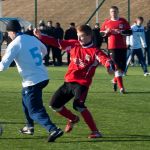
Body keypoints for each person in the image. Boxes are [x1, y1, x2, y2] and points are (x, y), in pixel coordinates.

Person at [34, 24, 114, 138]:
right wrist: (41, 36)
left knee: (78, 105)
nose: (79, 39)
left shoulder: (95, 51)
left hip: (82, 84)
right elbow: (56, 42)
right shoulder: (73, 44)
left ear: (89, 36)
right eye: (78, 36)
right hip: (68, 82)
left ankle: (95, 131)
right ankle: (73, 118)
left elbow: (105, 59)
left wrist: (109, 65)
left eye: (81, 36)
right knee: (53, 105)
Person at [0, 20, 63, 142]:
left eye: (8, 33)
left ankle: (53, 129)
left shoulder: (14, 44)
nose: (8, 35)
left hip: (33, 80)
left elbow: (3, 67)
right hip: (42, 76)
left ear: (12, 32)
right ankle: (29, 127)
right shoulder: (30, 38)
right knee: (25, 100)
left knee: (34, 110)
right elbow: (44, 50)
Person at [100, 6, 132, 94]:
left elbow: (130, 32)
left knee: (122, 68)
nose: (113, 13)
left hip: (123, 47)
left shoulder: (123, 21)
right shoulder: (107, 22)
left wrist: (121, 32)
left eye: (114, 11)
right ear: (110, 13)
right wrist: (106, 32)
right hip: (112, 47)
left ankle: (114, 80)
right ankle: (122, 88)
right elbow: (101, 33)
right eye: (111, 12)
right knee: (117, 67)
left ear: (118, 12)